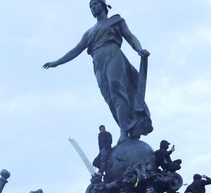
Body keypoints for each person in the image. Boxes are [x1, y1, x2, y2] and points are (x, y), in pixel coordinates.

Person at [43, 0, 152, 141]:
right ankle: (124, 125)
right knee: (110, 98)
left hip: (113, 54)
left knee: (116, 88)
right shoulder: (89, 33)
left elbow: (130, 37)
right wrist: (57, 62)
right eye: (91, 6)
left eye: (96, 4)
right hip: (98, 62)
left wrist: (139, 49)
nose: (93, 8)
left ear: (104, 5)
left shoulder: (116, 21)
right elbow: (76, 50)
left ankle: (125, 131)